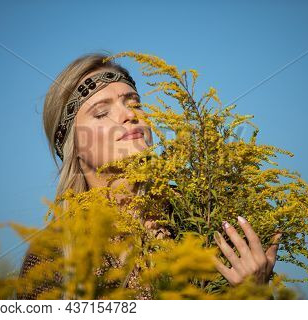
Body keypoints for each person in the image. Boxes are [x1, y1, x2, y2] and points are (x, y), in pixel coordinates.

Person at [18, 52, 281, 299]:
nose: (129, 115)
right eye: (101, 113)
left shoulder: (205, 216)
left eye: (135, 104)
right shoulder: (54, 254)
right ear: (73, 146)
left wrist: (253, 294)